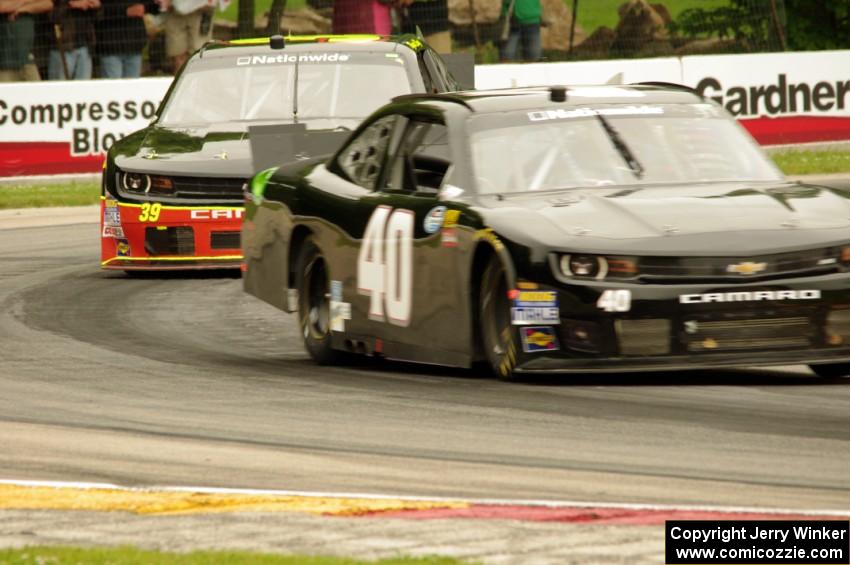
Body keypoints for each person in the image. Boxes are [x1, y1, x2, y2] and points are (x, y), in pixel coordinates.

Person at [96, 0, 158, 78]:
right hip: (111, 46)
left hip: (134, 45)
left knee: (132, 87)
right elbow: (96, 9)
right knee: (113, 87)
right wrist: (125, 12)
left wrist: (150, 6)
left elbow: (153, 6)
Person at [0, 0, 54, 81]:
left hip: (27, 59)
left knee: (38, 92)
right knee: (6, 92)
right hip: (5, 62)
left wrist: (21, 9)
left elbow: (47, 4)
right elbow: (2, 6)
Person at [47, 0, 99, 80]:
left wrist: (97, 6)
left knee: (83, 88)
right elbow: (52, 17)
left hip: (85, 47)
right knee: (59, 88)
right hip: (62, 49)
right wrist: (71, 5)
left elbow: (99, 18)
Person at [164, 0, 213, 73]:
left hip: (201, 11)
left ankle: (197, 81)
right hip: (175, 11)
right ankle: (182, 82)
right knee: (178, 53)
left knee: (198, 53)